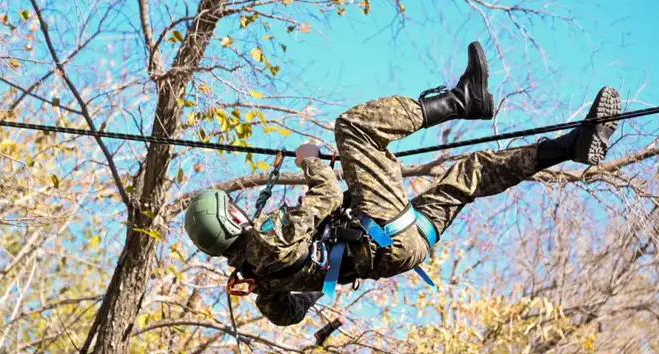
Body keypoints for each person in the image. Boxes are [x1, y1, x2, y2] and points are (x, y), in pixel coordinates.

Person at [184, 42, 621, 326]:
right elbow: (328, 193)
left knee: (472, 173)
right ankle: (462, 100)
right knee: (354, 128)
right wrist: (311, 160)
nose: (243, 210)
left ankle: (571, 146)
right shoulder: (267, 242)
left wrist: (324, 272)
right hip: (382, 231)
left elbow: (289, 314)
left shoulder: (261, 285)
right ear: (228, 221)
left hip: (404, 250)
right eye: (234, 209)